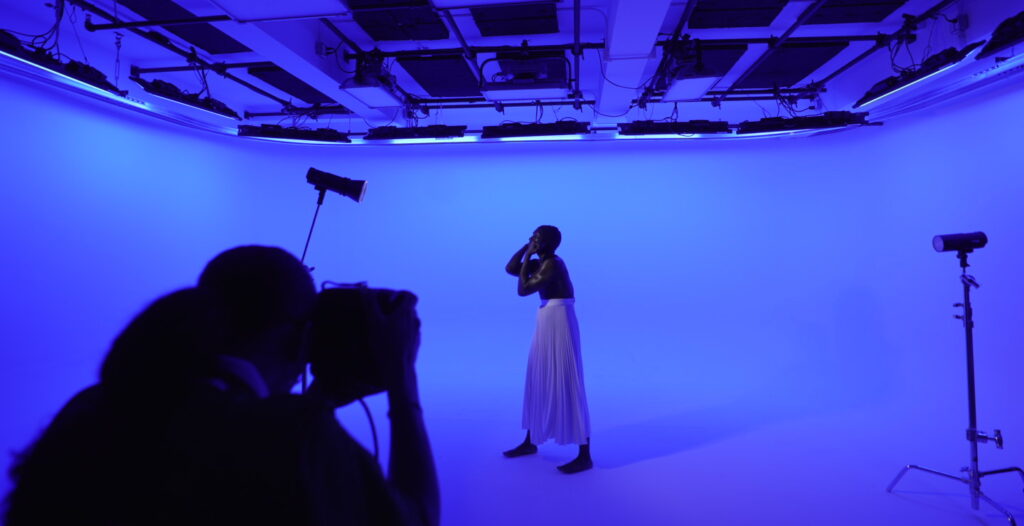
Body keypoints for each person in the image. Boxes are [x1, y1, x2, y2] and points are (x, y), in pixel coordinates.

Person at [4, 245, 439, 526]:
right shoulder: (297, 436)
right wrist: (402, 378)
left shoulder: (94, 405)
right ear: (303, 337)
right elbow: (416, 518)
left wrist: (320, 399)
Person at [503, 226, 593, 474]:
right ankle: (531, 442)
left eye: (537, 238)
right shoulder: (542, 262)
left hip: (560, 317)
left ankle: (585, 455)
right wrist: (526, 249)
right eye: (532, 236)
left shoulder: (553, 264)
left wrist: (529, 256)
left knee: (567, 380)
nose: (533, 239)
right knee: (538, 376)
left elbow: (523, 290)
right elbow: (510, 269)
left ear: (549, 244)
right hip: (546, 315)